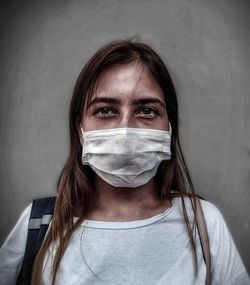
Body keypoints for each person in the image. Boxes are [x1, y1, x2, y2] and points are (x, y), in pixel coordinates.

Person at [0, 39, 249, 285]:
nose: (125, 131)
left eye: (147, 111)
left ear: (169, 128)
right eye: (106, 110)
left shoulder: (203, 223)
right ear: (80, 130)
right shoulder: (39, 225)